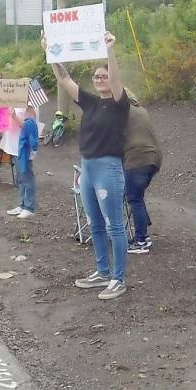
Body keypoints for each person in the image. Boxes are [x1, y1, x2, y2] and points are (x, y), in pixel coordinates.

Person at [43, 30, 130, 300]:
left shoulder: (119, 103)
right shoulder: (90, 102)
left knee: (115, 225)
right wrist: (51, 52)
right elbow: (65, 79)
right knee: (94, 224)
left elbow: (116, 80)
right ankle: (102, 271)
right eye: (96, 76)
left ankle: (119, 278)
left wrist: (110, 51)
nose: (100, 79)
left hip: (108, 167)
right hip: (88, 168)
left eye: (104, 76)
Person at [123, 91, 162, 254]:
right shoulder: (140, 110)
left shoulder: (122, 111)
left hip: (137, 158)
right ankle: (142, 232)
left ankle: (141, 240)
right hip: (154, 157)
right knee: (136, 196)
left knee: (134, 198)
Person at [7, 104, 39, 219]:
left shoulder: (30, 105)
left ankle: (29, 207)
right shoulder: (14, 103)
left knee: (27, 176)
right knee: (20, 177)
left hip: (25, 148)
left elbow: (29, 124)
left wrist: (14, 116)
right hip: (15, 146)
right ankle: (22, 204)